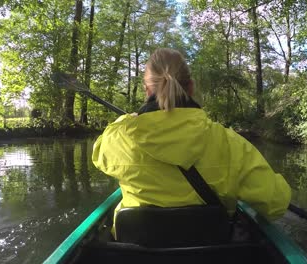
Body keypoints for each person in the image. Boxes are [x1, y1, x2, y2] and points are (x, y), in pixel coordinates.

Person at [92, 48, 291, 238]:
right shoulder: (229, 143)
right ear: (191, 87)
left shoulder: (121, 139)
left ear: (146, 90)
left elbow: (98, 152)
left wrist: (126, 120)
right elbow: (277, 205)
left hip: (136, 253)